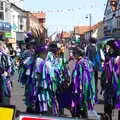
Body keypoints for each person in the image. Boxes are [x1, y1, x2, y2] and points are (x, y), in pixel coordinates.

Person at [71, 47, 96, 118]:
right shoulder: (87, 61)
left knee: (81, 103)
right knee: (83, 103)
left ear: (79, 54)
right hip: (87, 87)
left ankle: (84, 116)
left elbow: (82, 77)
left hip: (81, 88)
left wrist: (81, 87)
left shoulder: (80, 63)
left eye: (74, 53)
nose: (73, 54)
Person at [101, 40, 120, 120]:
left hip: (111, 85)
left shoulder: (110, 59)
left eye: (111, 48)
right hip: (113, 86)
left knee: (109, 104)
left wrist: (103, 85)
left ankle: (108, 116)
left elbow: (105, 74)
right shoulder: (110, 59)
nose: (109, 49)